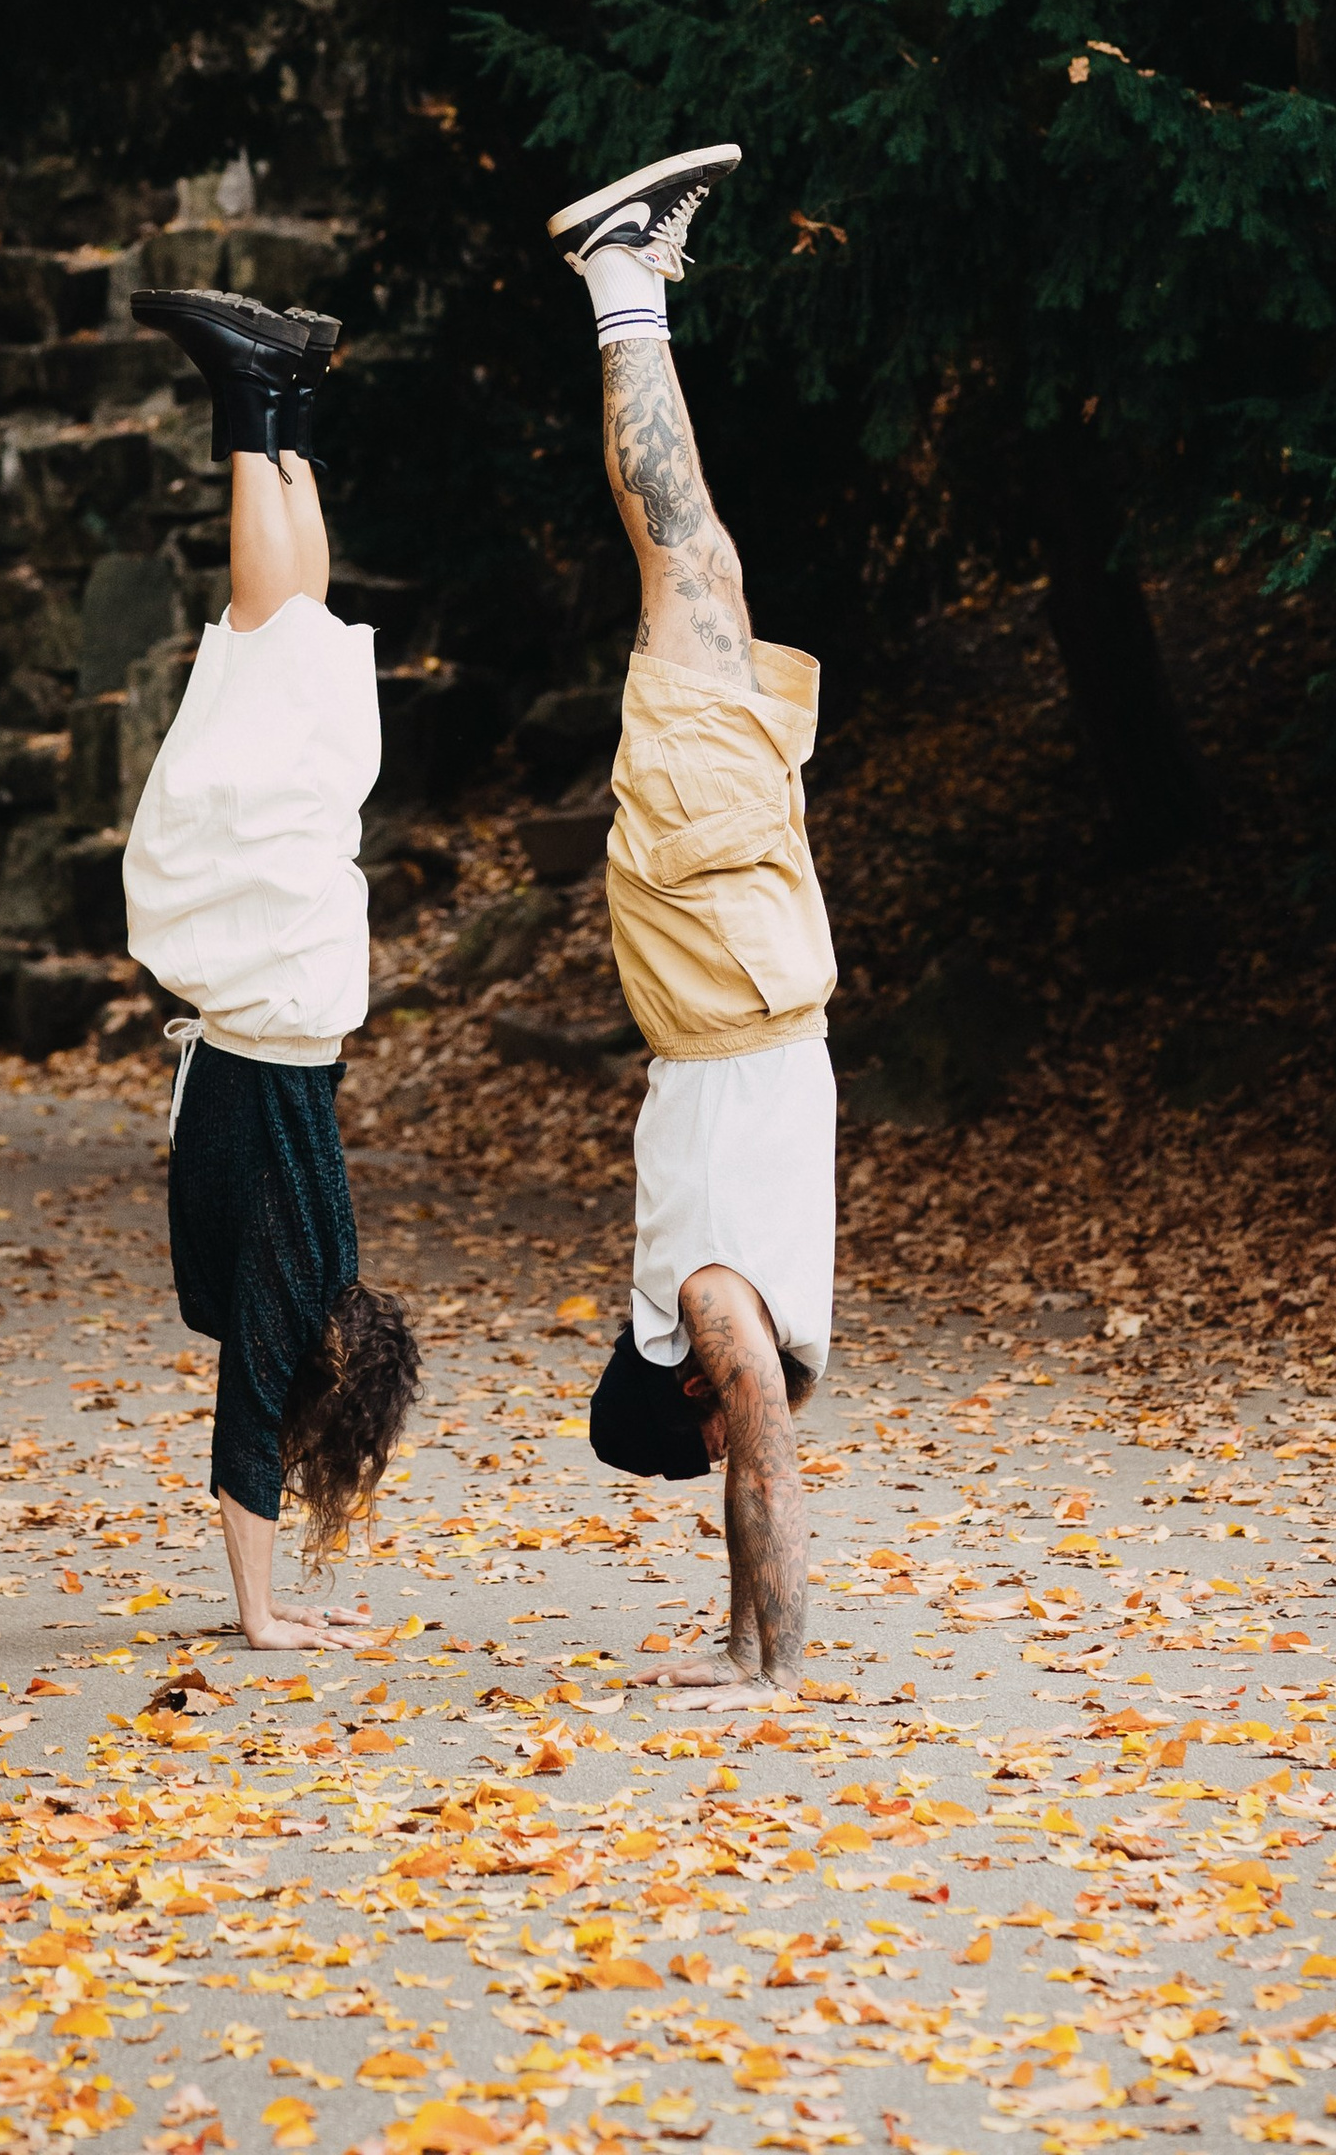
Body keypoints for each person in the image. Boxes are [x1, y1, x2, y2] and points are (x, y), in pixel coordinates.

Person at [549, 146, 838, 1705]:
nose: (750, 1426)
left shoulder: (715, 1310)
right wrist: (730, 1641)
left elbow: (770, 1479)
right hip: (732, 944)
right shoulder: (709, 1307)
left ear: (694, 1400)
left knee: (688, 557)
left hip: (724, 942)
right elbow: (758, 1471)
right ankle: (624, 282)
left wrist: (764, 1669)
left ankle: (617, 277)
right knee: (703, 557)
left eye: (721, 1424)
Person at [121, 286, 420, 1653]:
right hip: (267, 983)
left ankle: (289, 396)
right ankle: (252, 395)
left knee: (297, 675)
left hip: (303, 984)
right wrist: (264, 1618)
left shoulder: (333, 1260)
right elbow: (248, 1435)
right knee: (257, 679)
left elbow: (271, 1422)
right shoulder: (298, 1284)